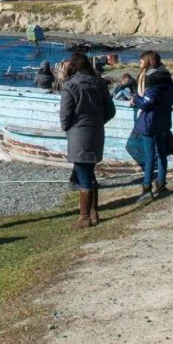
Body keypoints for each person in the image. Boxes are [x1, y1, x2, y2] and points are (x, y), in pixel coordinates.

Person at [59, 53, 116, 228]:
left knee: (84, 175)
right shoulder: (100, 84)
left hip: (78, 134)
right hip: (96, 132)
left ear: (73, 66)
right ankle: (93, 213)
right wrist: (97, 121)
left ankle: (84, 218)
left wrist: (68, 126)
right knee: (89, 172)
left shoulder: (70, 86)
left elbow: (65, 115)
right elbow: (111, 111)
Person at [132, 50, 173, 201]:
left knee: (150, 155)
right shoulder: (166, 78)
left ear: (148, 62)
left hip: (150, 122)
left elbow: (147, 103)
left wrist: (136, 99)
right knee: (162, 153)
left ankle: (147, 188)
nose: (139, 64)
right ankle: (161, 183)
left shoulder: (151, 79)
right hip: (163, 119)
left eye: (141, 61)